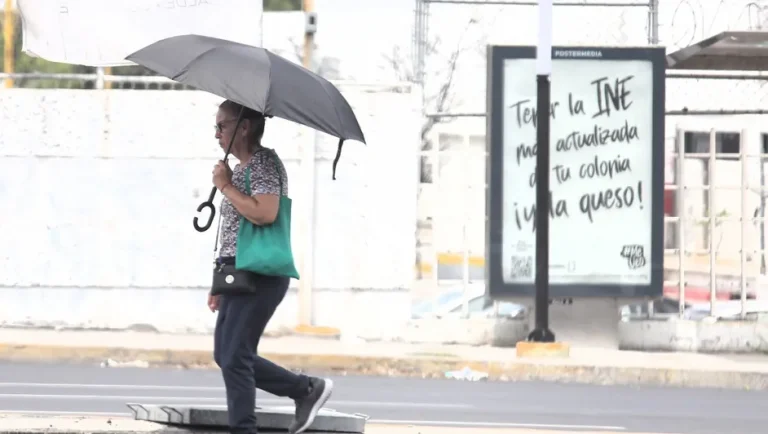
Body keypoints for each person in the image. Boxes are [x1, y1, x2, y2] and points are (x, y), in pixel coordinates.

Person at [208, 99, 333, 434]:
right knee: (227, 355)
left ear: (243, 127)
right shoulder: (244, 169)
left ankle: (246, 428)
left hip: (259, 275)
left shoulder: (264, 164)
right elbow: (233, 233)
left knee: (236, 357)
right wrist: (218, 283)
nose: (216, 133)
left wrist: (225, 186)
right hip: (238, 273)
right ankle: (305, 389)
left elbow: (265, 213)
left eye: (222, 125)